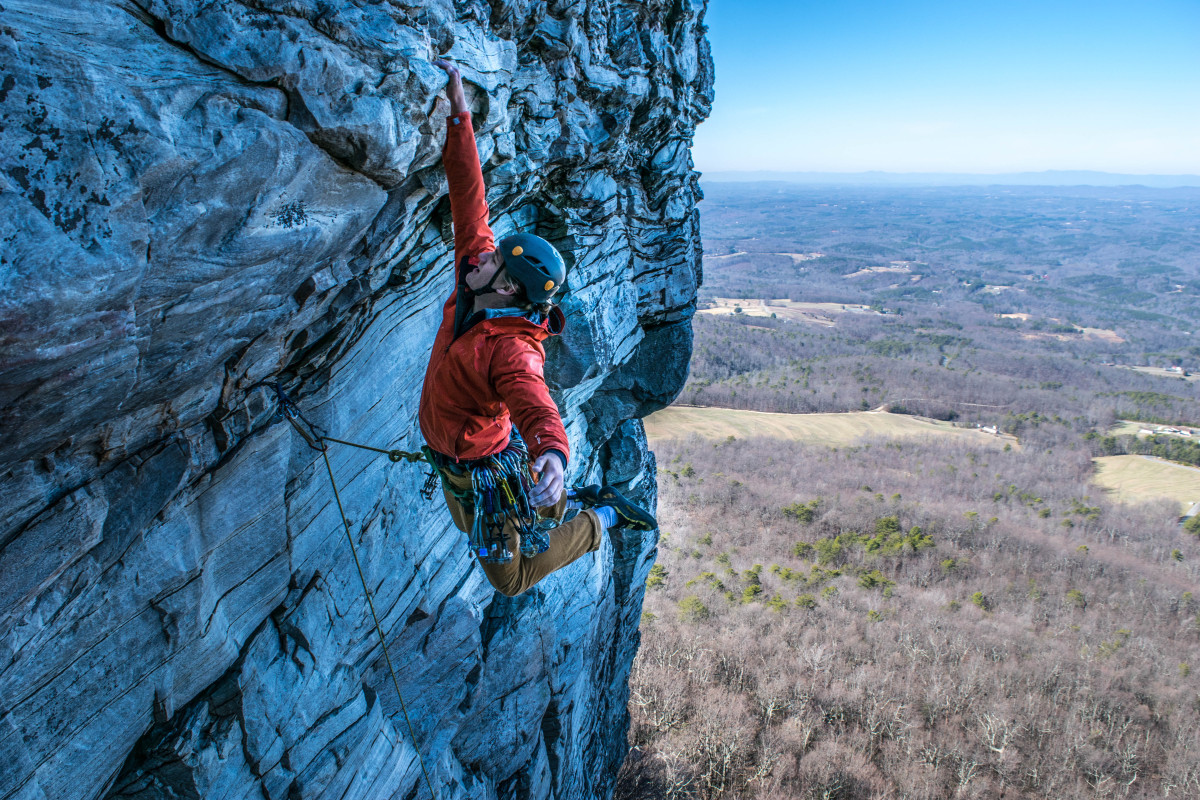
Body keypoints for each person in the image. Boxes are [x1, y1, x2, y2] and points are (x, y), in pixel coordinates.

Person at [419, 58, 656, 597]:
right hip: (460, 460)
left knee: (512, 578)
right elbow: (469, 201)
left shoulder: (512, 353)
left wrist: (551, 451)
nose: (481, 256)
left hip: (485, 469)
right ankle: (557, 500)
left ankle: (602, 520)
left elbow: (534, 401)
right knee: (481, 521)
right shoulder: (481, 282)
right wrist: (460, 114)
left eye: (493, 262)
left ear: (506, 289)